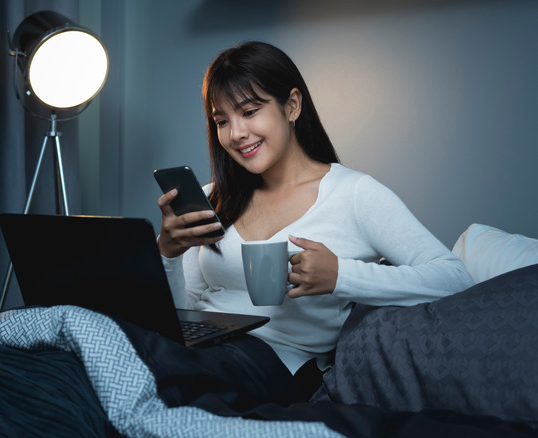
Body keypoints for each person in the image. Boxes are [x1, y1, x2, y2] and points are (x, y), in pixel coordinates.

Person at [156, 41, 474, 399]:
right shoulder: (215, 197)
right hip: (199, 353)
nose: (236, 133)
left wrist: (340, 276)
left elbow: (455, 278)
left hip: (273, 366)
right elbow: (183, 312)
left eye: (250, 111)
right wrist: (167, 253)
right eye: (221, 121)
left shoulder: (354, 194)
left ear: (292, 105)